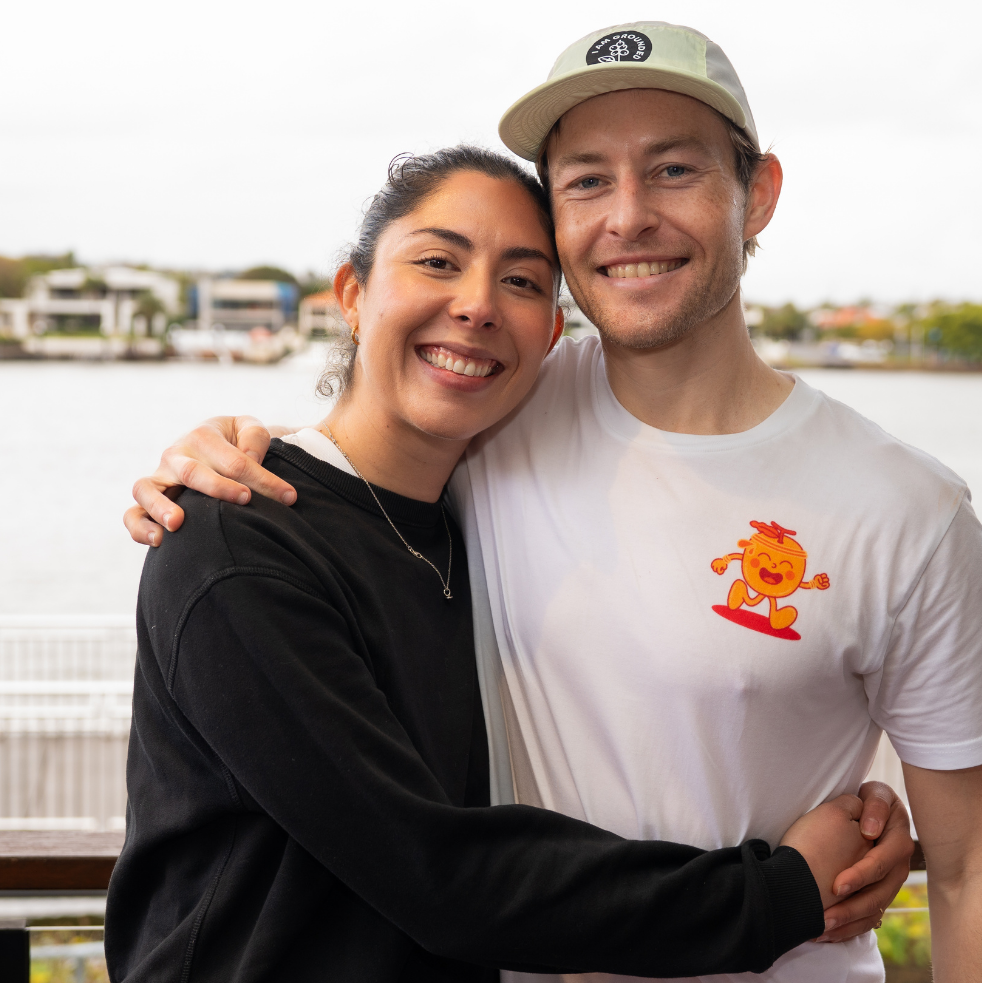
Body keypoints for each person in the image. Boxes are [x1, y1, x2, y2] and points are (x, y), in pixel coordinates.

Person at [125, 22, 979, 982]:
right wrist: (220, 456)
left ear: (758, 195)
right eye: (584, 180)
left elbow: (967, 862)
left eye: (672, 171)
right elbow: (431, 866)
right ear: (351, 292)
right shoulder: (471, 430)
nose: (626, 216)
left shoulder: (908, 507)